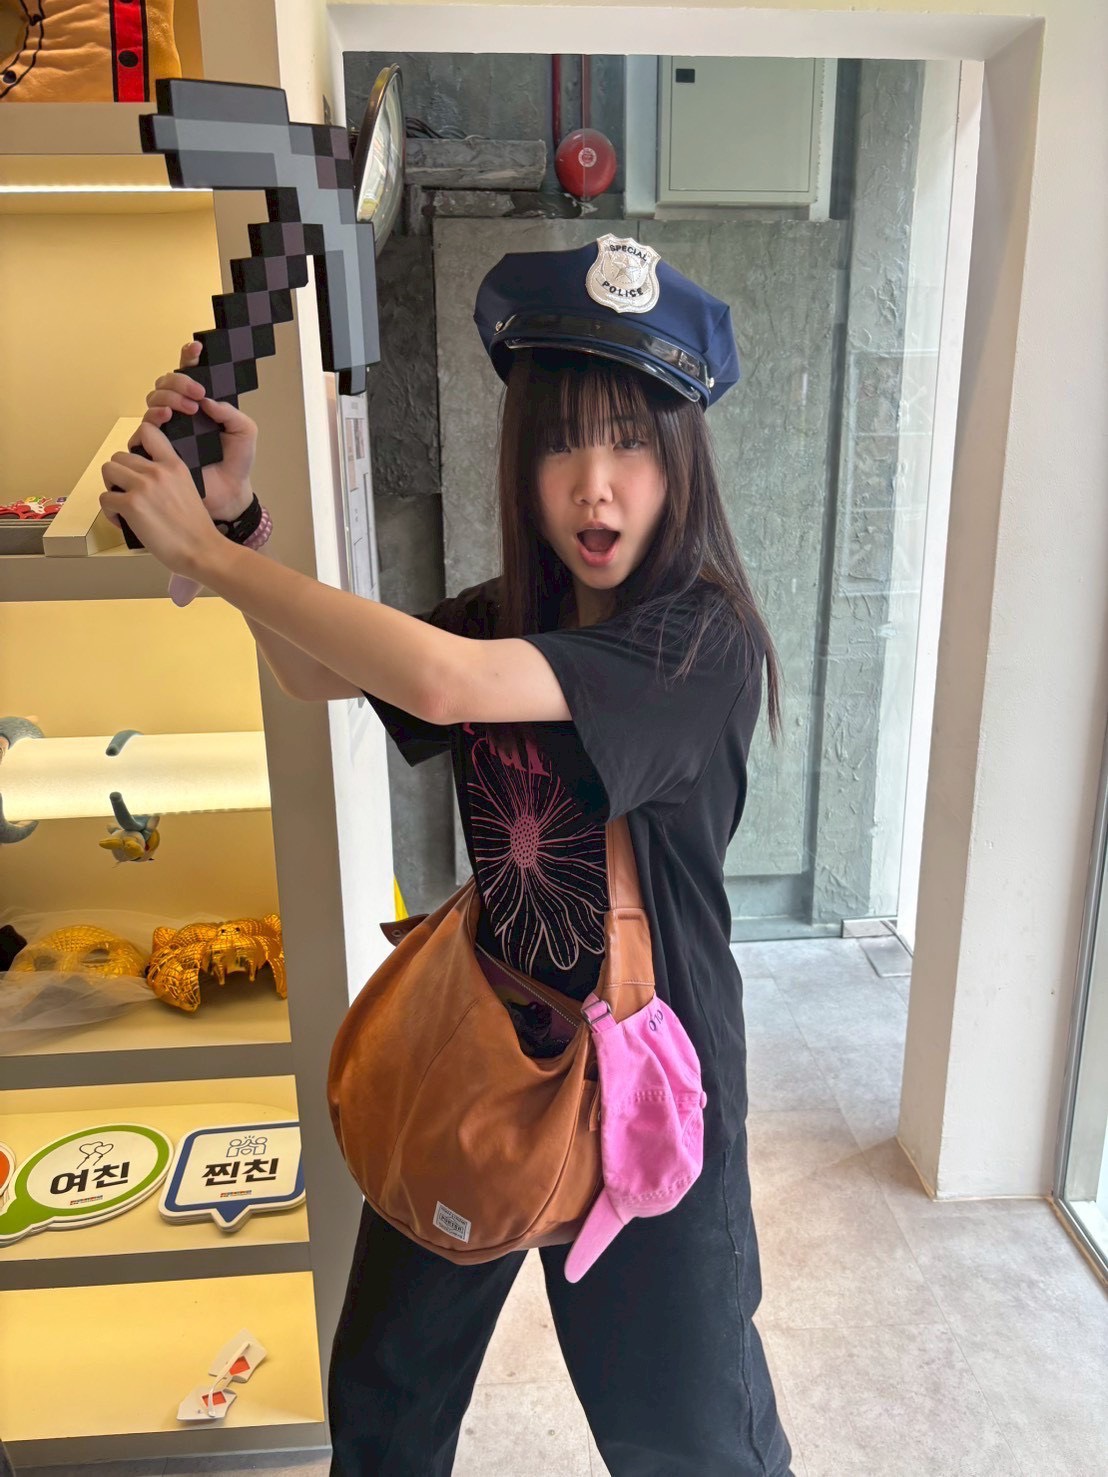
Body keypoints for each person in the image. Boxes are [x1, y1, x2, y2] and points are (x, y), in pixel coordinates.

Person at [108, 235, 791, 1477]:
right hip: (482, 1047)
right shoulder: (510, 610)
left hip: (647, 1090)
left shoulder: (699, 643)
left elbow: (448, 683)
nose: (595, 487)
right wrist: (234, 521)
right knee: (383, 1405)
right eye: (560, 444)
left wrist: (208, 556)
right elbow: (317, 670)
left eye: (631, 444)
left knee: (686, 1444)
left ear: (680, 458)